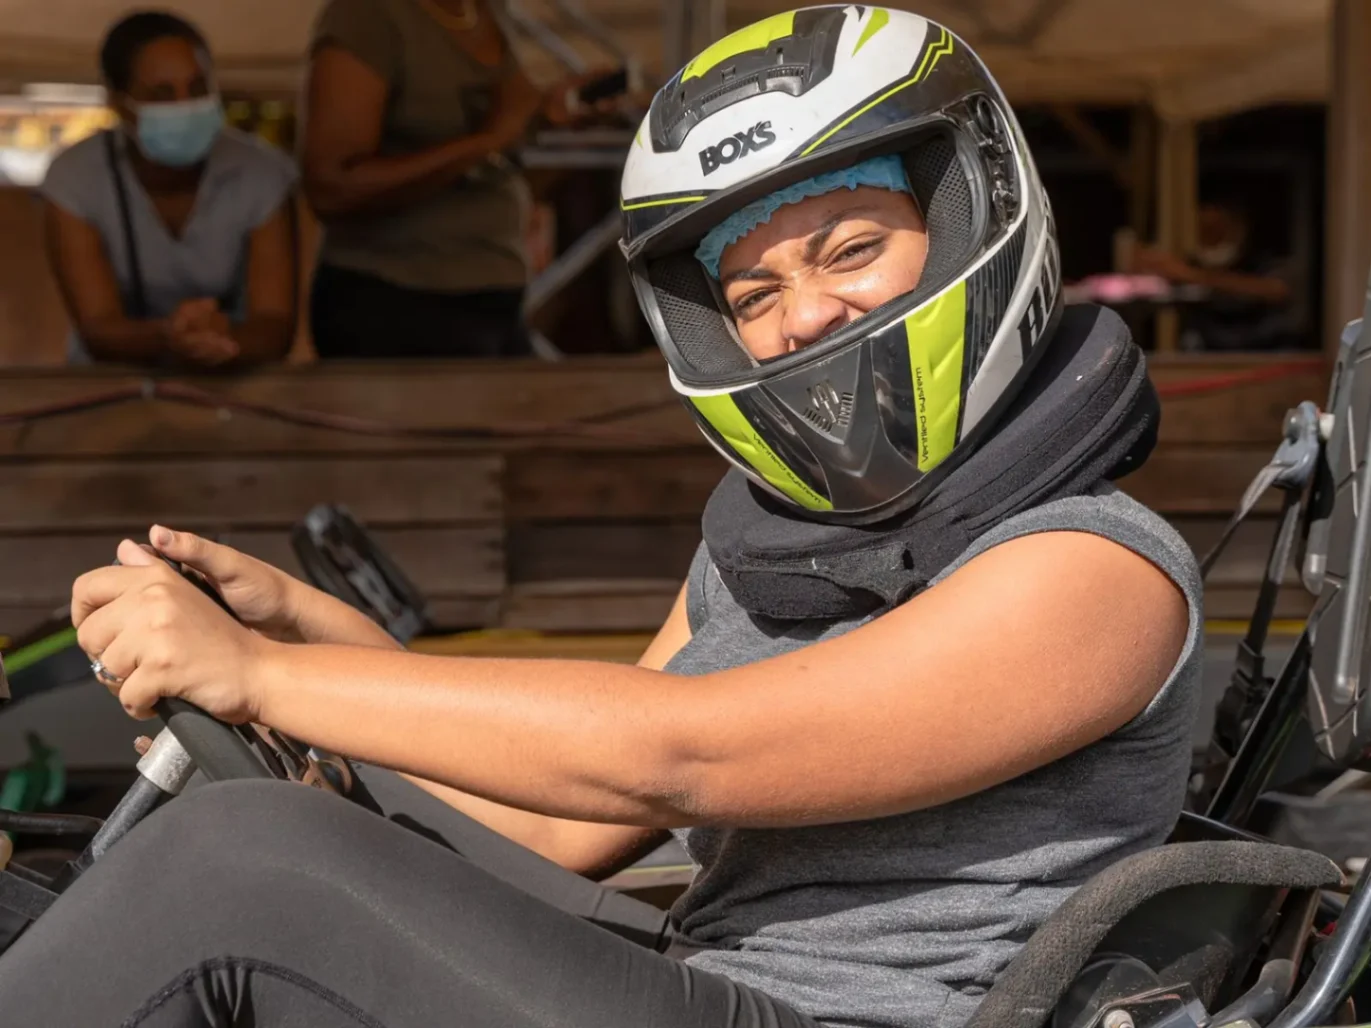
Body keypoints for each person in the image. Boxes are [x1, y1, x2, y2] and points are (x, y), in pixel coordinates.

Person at [0, 9, 1201, 1028]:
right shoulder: (775, 547)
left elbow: (682, 751)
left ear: (967, 215)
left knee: (239, 863)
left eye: (851, 248)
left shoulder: (1094, 563)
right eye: (756, 291)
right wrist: (317, 641)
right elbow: (567, 816)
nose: (807, 315)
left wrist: (263, 675)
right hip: (697, 969)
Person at [299, 0, 608, 359]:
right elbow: (331, 187)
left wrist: (553, 112)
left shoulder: (484, 10)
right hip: (397, 302)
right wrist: (485, 143)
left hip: (492, 295)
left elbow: (511, 124)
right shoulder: (368, 15)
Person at [40, 11, 299, 367]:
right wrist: (172, 337)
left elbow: (274, 325)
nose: (184, 105)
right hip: (111, 386)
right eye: (161, 94)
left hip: (236, 381)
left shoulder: (262, 173)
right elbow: (98, 328)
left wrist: (224, 343)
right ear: (119, 105)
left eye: (197, 89)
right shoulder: (75, 179)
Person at [1129, 201, 1296, 351]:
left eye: (1217, 231)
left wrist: (1192, 275)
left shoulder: (1262, 262)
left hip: (1263, 358)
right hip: (1204, 361)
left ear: (1238, 229)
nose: (1212, 239)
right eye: (1204, 232)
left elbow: (1277, 290)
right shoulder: (1190, 264)